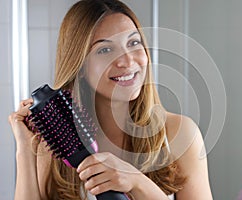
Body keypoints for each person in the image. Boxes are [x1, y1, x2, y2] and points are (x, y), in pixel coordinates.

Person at [8, 0, 213, 199]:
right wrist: (25, 151)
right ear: (79, 67)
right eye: (105, 50)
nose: (128, 60)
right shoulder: (56, 144)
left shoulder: (180, 133)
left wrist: (137, 183)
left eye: (133, 43)